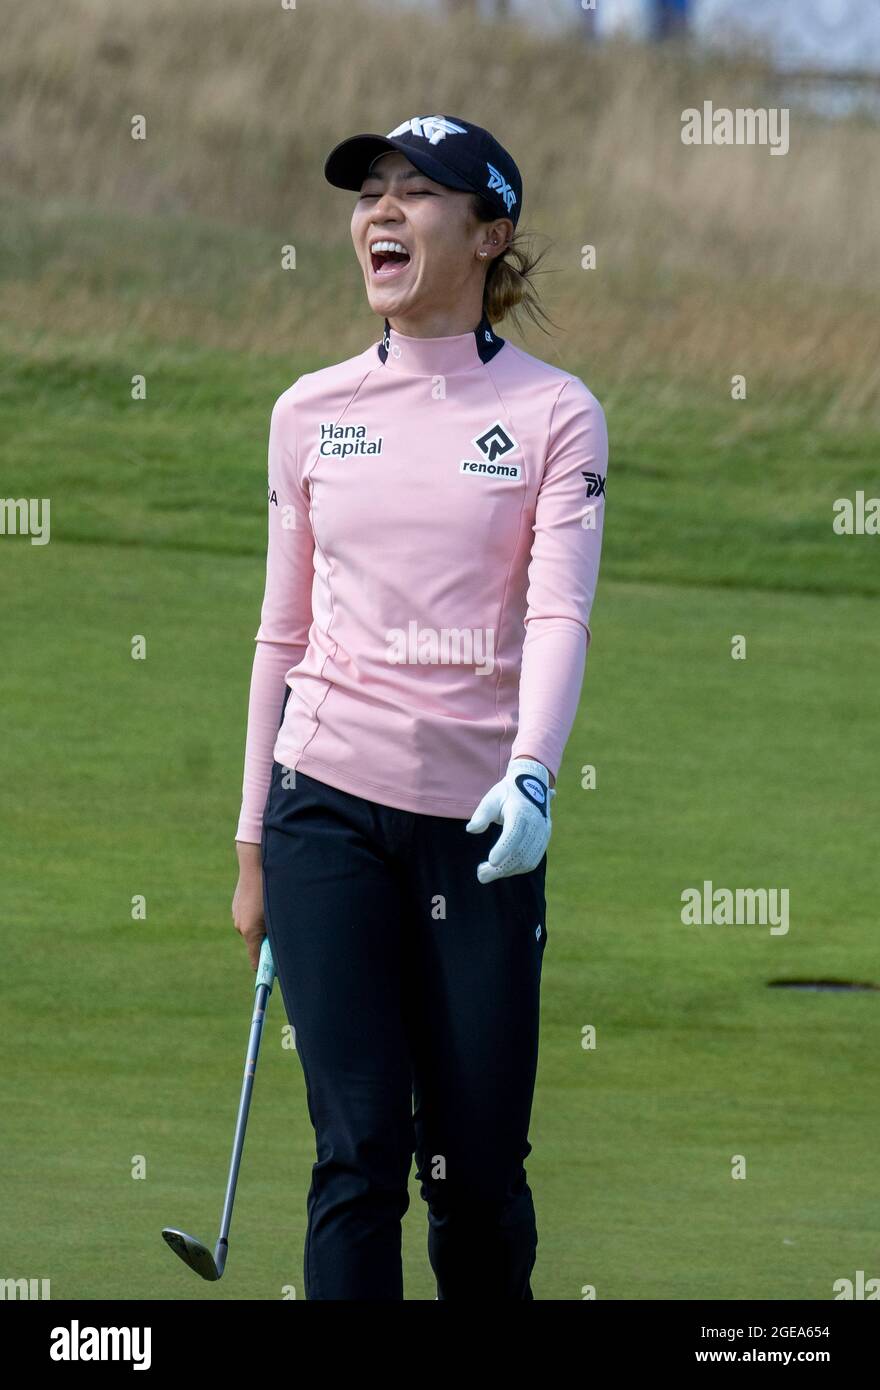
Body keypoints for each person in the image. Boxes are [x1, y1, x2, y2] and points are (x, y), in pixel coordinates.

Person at [231, 113, 609, 1301]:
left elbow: (557, 615)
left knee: (477, 1174)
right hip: (323, 812)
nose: (380, 212)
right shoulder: (309, 410)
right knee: (357, 1160)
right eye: (368, 193)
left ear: (490, 233)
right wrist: (253, 840)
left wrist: (535, 769)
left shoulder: (556, 415)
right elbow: (280, 634)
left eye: (418, 192)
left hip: (482, 829)